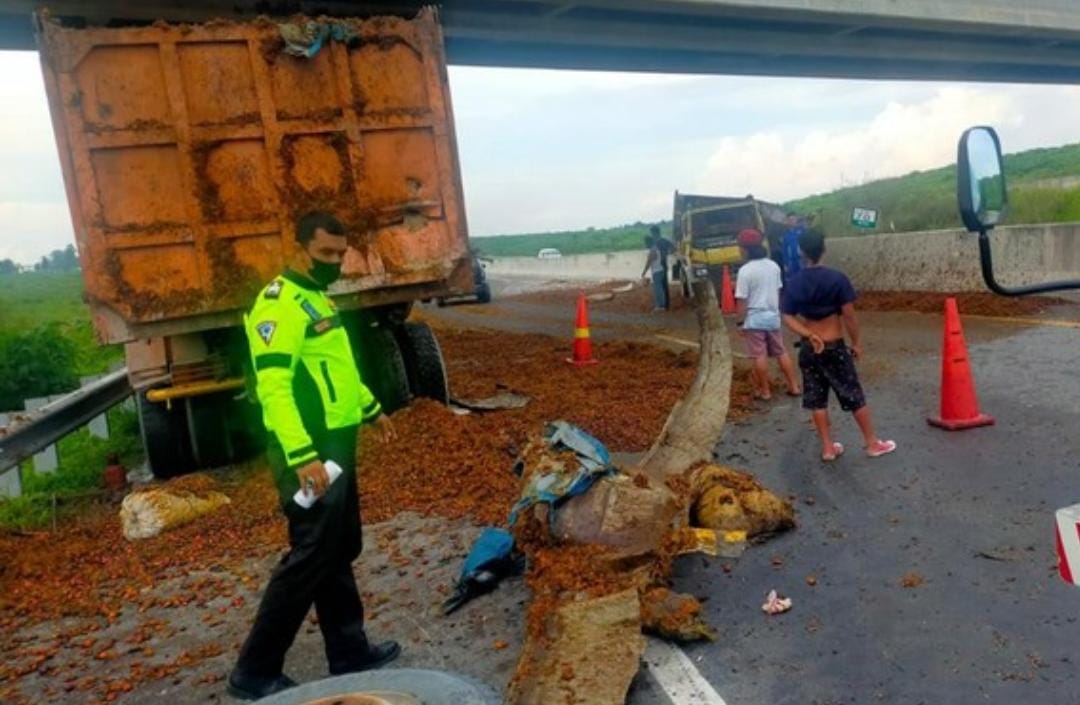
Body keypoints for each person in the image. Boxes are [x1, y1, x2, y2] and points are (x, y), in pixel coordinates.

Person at [228, 211, 400, 700]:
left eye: (340, 254)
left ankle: (349, 650)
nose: (334, 262)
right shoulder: (277, 305)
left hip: (337, 441)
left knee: (338, 546)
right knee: (309, 553)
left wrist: (370, 408)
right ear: (298, 247)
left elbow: (336, 369)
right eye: (325, 253)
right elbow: (275, 388)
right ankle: (254, 670)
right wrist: (301, 455)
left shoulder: (315, 298)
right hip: (310, 448)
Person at [780, 228, 896, 463]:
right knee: (853, 395)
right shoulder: (837, 278)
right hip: (834, 346)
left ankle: (827, 448)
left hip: (810, 349)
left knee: (817, 398)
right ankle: (872, 443)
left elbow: (787, 316)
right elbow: (849, 315)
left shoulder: (794, 282)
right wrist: (856, 343)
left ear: (801, 252)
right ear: (824, 249)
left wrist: (808, 334)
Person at [733, 228, 801, 400]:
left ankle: (765, 391)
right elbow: (778, 291)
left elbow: (742, 300)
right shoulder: (773, 266)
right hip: (773, 317)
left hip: (754, 319)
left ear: (746, 249)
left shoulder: (745, 271)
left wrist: (740, 322)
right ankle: (794, 386)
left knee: (759, 355)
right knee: (781, 352)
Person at [641, 230, 669, 311]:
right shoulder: (655, 248)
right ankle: (661, 305)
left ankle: (660, 306)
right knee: (659, 289)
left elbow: (648, 262)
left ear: (648, 242)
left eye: (645, 243)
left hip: (657, 271)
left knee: (658, 289)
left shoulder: (653, 250)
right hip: (659, 270)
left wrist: (644, 272)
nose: (645, 244)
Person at [781, 212, 805, 280]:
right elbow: (784, 250)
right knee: (793, 280)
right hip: (791, 262)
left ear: (796, 220)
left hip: (802, 260)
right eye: (790, 220)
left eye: (793, 219)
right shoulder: (785, 234)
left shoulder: (802, 230)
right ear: (787, 221)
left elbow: (808, 243)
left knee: (803, 278)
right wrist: (785, 264)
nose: (792, 221)